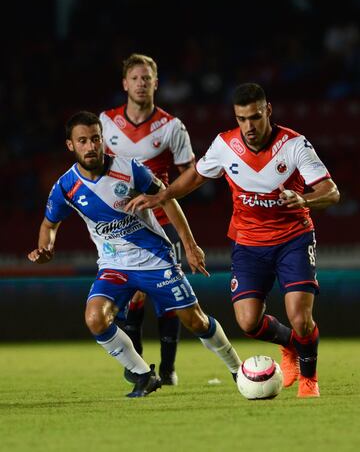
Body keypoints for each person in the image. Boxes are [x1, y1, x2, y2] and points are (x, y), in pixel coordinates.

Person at [126, 83, 340, 398]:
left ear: (267, 111)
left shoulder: (294, 145)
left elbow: (331, 192)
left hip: (292, 238)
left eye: (254, 117)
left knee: (300, 317)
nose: (249, 126)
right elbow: (197, 175)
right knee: (248, 323)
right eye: (242, 119)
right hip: (249, 243)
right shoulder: (225, 145)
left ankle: (309, 379)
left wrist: (304, 199)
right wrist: (163, 195)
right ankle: (292, 347)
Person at [28, 111, 241, 398]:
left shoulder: (130, 169)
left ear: (103, 140)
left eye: (95, 139)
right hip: (114, 265)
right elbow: (49, 224)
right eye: (82, 141)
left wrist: (189, 245)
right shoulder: (66, 186)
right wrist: (46, 248)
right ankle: (143, 375)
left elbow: (166, 200)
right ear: (71, 146)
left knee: (196, 321)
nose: (90, 146)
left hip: (155, 260)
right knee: (95, 318)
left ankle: (237, 368)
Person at [100, 53, 195, 386]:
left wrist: (166, 195)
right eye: (135, 78)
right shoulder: (105, 123)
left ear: (157, 83)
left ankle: (167, 369)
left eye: (147, 78)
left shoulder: (172, 127)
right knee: (133, 297)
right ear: (125, 83)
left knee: (166, 295)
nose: (141, 83)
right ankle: (140, 368)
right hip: (123, 224)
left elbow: (190, 175)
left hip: (162, 221)